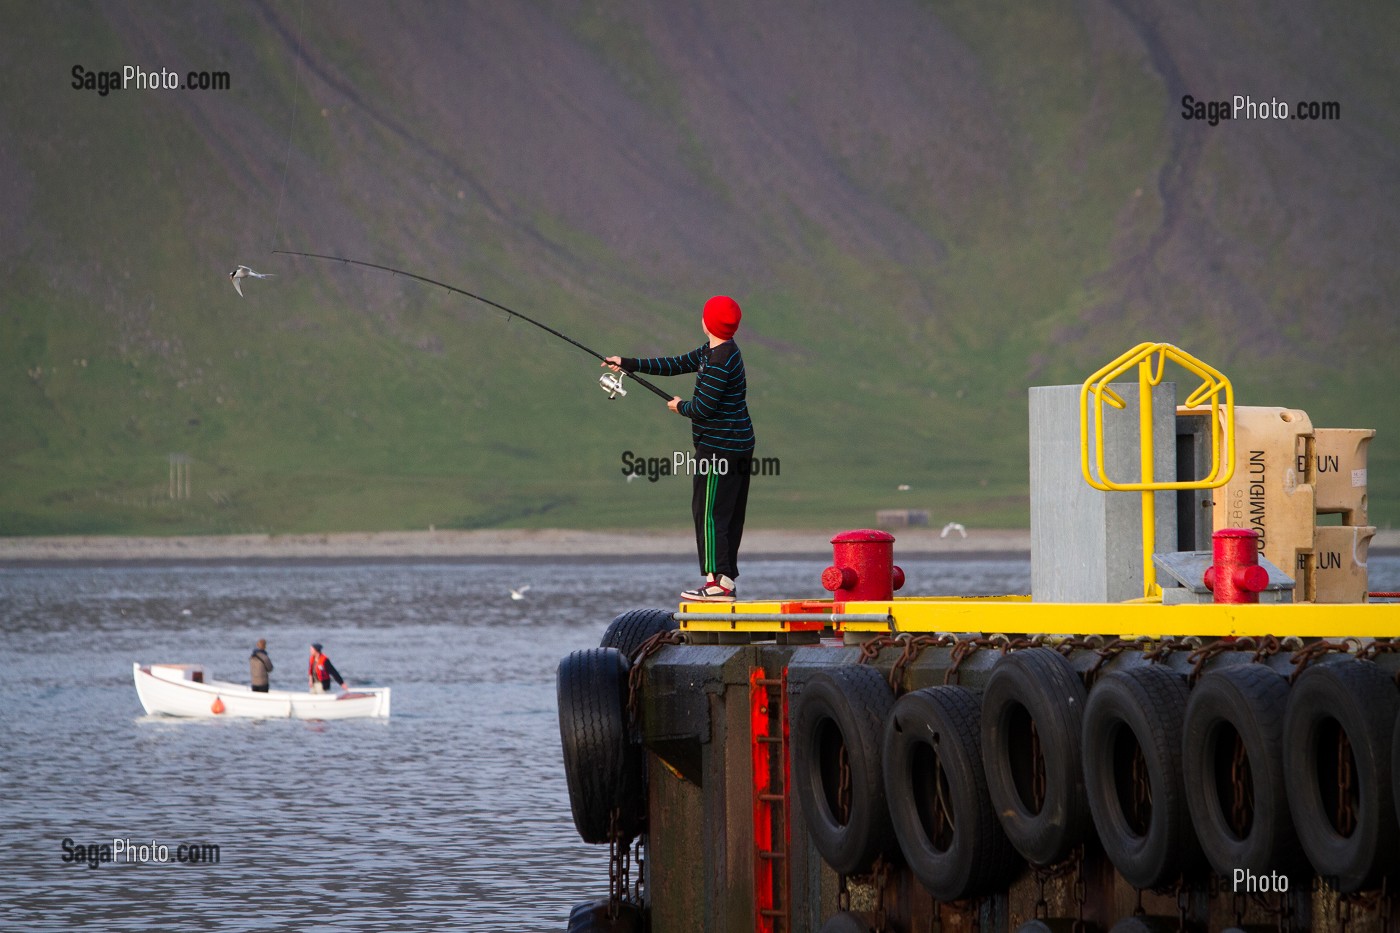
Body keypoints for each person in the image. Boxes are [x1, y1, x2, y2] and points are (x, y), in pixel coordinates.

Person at [605, 295, 755, 602]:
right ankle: (723, 580)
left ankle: (717, 585)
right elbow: (675, 364)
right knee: (725, 513)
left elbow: (703, 407)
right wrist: (629, 364)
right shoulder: (718, 351)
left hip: (719, 450)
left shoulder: (718, 361)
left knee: (709, 514)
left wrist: (679, 407)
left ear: (707, 323)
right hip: (736, 445)